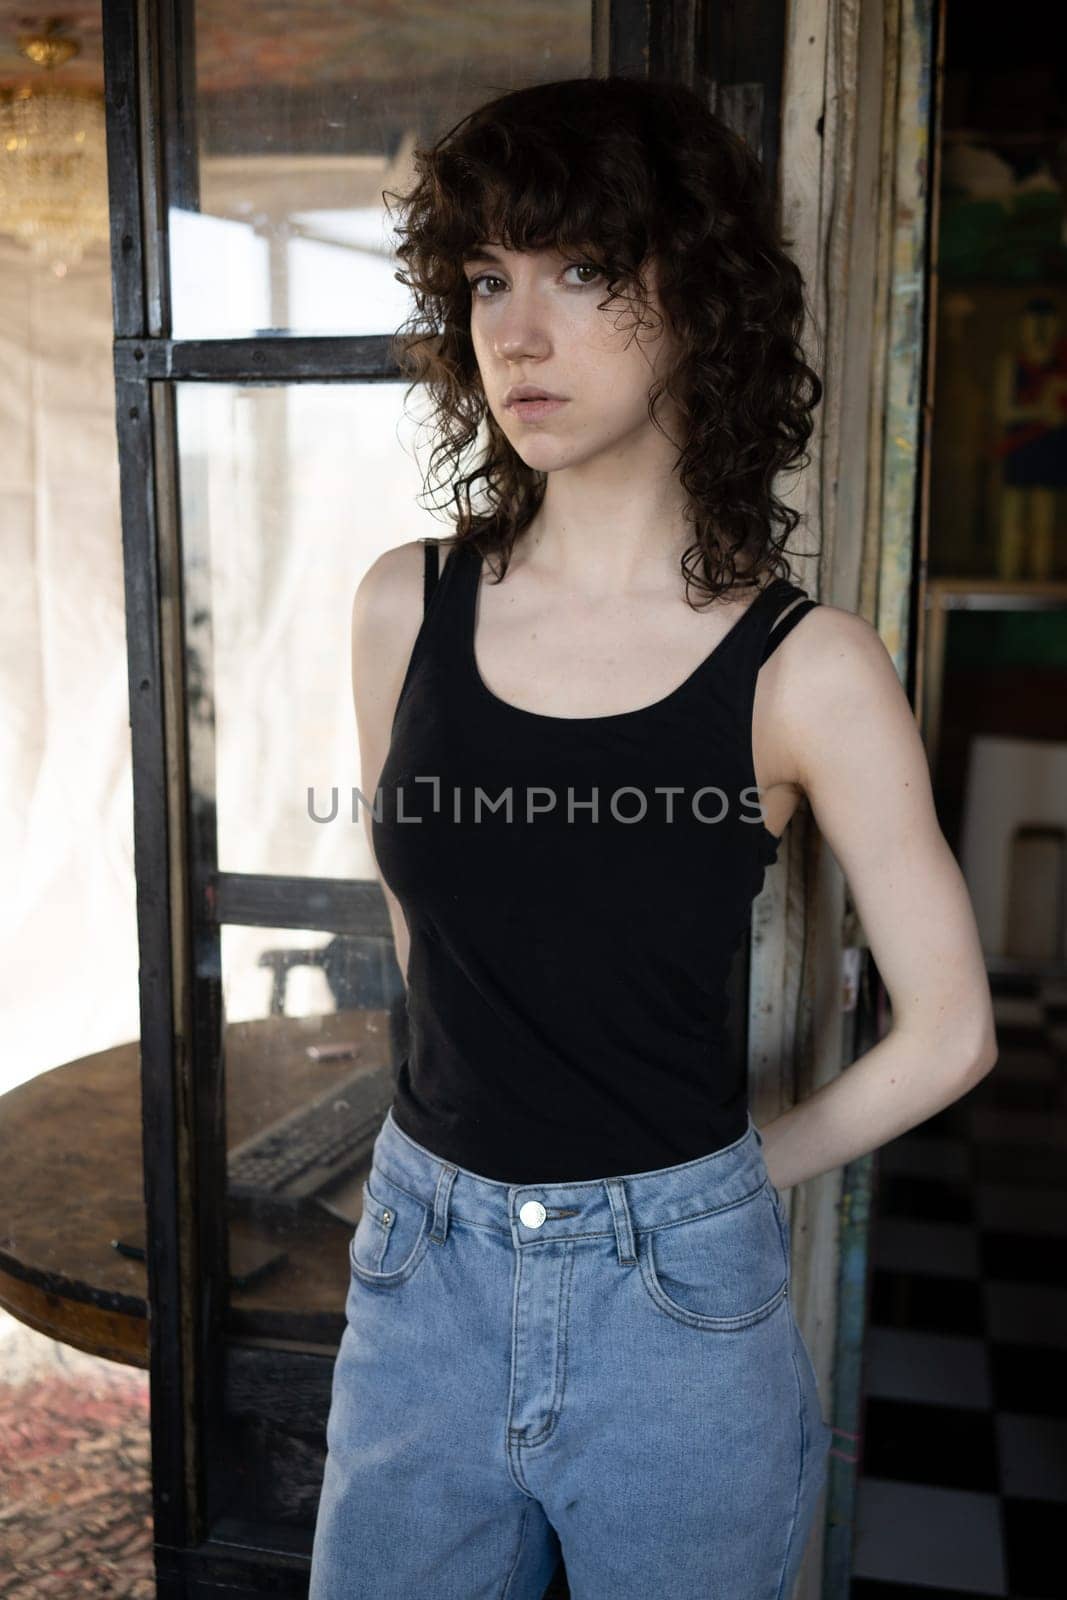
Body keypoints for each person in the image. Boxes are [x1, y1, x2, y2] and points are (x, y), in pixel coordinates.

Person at [309, 75, 997, 1600]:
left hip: (675, 1316)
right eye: (489, 278)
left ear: (703, 300)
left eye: (582, 272)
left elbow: (951, 1031)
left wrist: (733, 1183)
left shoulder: (808, 671)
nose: (517, 332)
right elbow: (428, 934)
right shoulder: (401, 607)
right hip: (424, 1272)